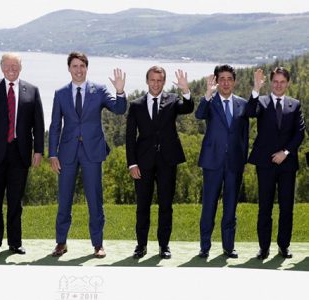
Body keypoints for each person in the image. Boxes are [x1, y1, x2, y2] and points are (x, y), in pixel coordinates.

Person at [48, 52, 127, 258]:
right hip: (66, 154)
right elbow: (55, 126)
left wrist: (119, 91)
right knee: (64, 199)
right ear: (69, 68)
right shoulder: (61, 93)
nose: (78, 69)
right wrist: (52, 154)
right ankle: (61, 242)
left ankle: (98, 244)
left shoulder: (99, 90)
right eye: (74, 66)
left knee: (95, 200)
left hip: (92, 152)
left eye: (82, 65)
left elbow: (119, 109)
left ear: (86, 67)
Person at [0, 52, 44, 256]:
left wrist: (38, 150)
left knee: (15, 202)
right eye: (7, 66)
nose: (11, 70)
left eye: (15, 66)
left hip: (20, 155)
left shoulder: (32, 90)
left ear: (21, 68)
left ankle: (15, 242)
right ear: (1, 68)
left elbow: (38, 124)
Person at [126, 66, 193, 259]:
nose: (156, 84)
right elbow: (130, 137)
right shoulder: (136, 105)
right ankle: (141, 245)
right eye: (153, 80)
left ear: (164, 82)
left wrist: (185, 90)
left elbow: (187, 108)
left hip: (167, 161)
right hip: (143, 163)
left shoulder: (172, 100)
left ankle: (164, 246)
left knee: (166, 205)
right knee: (142, 206)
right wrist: (132, 164)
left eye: (160, 80)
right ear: (147, 81)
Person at [247, 67, 305, 259]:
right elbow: (249, 112)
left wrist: (285, 152)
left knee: (286, 208)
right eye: (275, 82)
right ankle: (264, 248)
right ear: (271, 83)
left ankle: (283, 246)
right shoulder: (261, 102)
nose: (279, 85)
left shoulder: (295, 105)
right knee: (265, 207)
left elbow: (299, 133)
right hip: (265, 164)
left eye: (282, 82)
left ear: (288, 83)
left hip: (287, 165)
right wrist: (255, 89)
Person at [195, 65, 249, 259]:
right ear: (217, 81)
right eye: (222, 79)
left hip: (234, 163)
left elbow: (245, 135)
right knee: (209, 205)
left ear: (234, 81)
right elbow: (199, 114)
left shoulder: (242, 104)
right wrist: (207, 93)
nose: (226, 82)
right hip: (212, 162)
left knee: (230, 207)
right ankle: (205, 247)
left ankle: (228, 247)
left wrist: (243, 159)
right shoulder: (210, 102)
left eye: (229, 79)